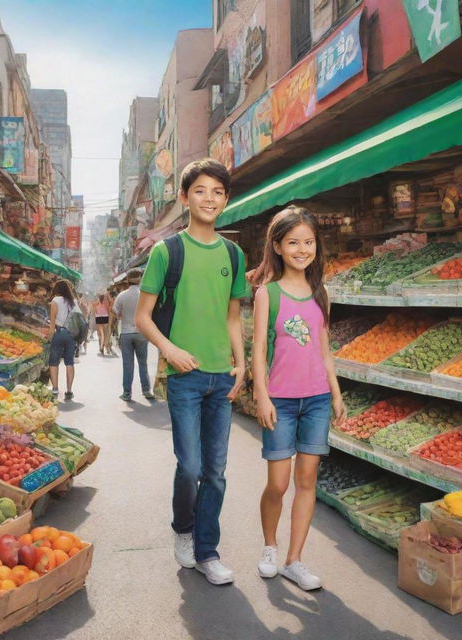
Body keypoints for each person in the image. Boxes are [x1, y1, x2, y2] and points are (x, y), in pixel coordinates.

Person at [136, 158, 249, 586]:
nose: (210, 199)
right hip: (184, 377)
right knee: (190, 467)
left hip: (222, 376)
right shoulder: (168, 252)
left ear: (226, 200)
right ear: (184, 197)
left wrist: (240, 364)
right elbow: (144, 317)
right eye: (200, 190)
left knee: (216, 471)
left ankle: (208, 550)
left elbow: (233, 316)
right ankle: (182, 528)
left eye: (218, 192)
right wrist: (171, 351)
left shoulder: (234, 255)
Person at [250, 205, 347, 591]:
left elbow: (324, 351)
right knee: (278, 482)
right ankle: (270, 546)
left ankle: (295, 559)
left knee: (307, 481)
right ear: (277, 246)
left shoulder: (320, 292)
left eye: (308, 242)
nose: (302, 249)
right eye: (293, 242)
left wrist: (336, 394)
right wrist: (262, 395)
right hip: (282, 401)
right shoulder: (266, 295)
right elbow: (258, 349)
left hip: (318, 400)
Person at [113, 270, 155, 402]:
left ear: (128, 280)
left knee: (128, 364)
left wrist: (122, 316)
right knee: (143, 363)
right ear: (141, 279)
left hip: (126, 333)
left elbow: (114, 311)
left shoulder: (122, 295)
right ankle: (146, 390)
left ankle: (127, 393)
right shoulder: (144, 295)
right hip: (141, 333)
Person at [47, 279, 80, 401]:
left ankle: (55, 388)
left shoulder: (55, 301)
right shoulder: (74, 302)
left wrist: (49, 338)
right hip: (71, 335)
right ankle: (69, 390)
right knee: (69, 362)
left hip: (60, 333)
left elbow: (52, 325)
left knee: (53, 362)